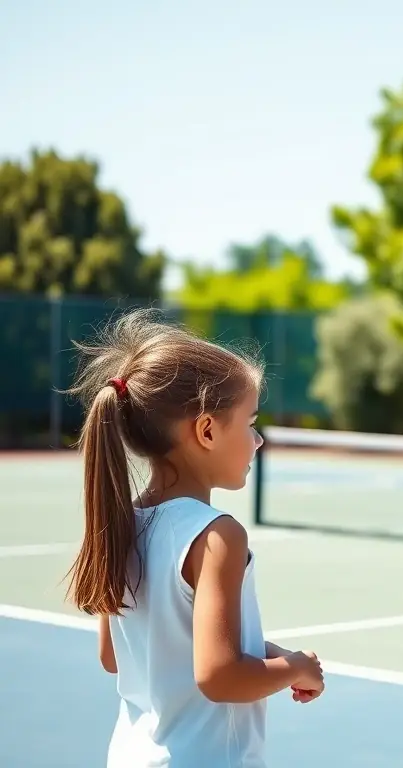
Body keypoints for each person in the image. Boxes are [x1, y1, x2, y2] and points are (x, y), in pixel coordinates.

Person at [64, 308, 325, 768]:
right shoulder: (218, 536)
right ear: (206, 430)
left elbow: (117, 655)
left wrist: (273, 655)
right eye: (249, 422)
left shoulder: (124, 521)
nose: (257, 440)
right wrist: (297, 668)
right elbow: (219, 676)